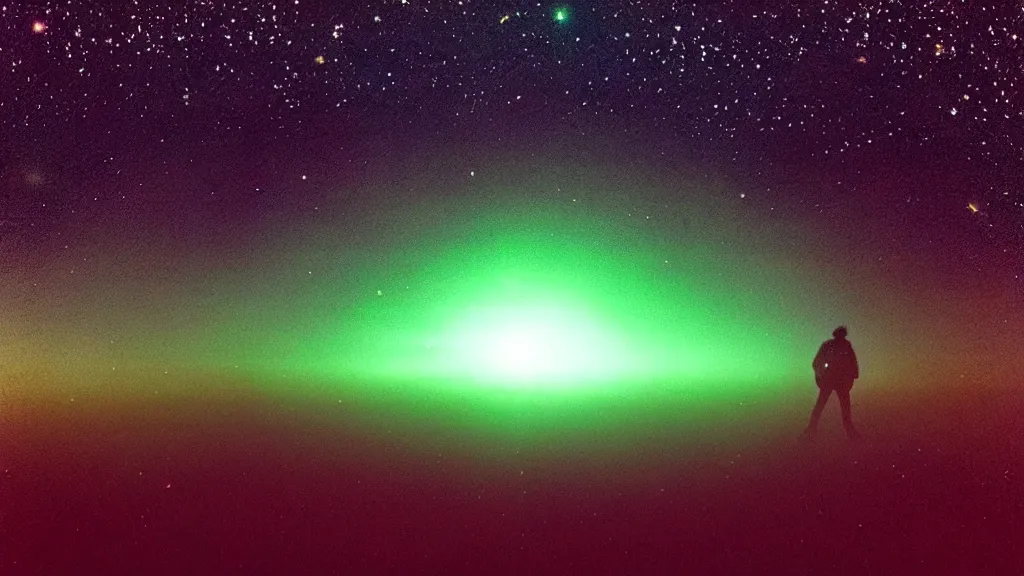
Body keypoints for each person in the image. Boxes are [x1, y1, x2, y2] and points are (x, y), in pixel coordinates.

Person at [804, 326, 861, 439]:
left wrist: (852, 377)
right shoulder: (831, 345)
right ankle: (811, 430)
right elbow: (817, 362)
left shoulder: (843, 345)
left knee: (840, 406)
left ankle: (812, 430)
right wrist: (821, 377)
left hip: (838, 380)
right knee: (825, 405)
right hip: (832, 379)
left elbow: (852, 362)